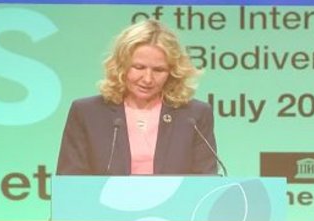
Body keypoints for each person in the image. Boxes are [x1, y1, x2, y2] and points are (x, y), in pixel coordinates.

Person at [56, 19, 218, 176]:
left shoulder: (194, 115)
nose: (147, 78)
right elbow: (70, 182)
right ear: (121, 65)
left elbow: (205, 182)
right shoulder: (87, 113)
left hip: (178, 204)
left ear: (172, 72)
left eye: (159, 70)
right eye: (139, 67)